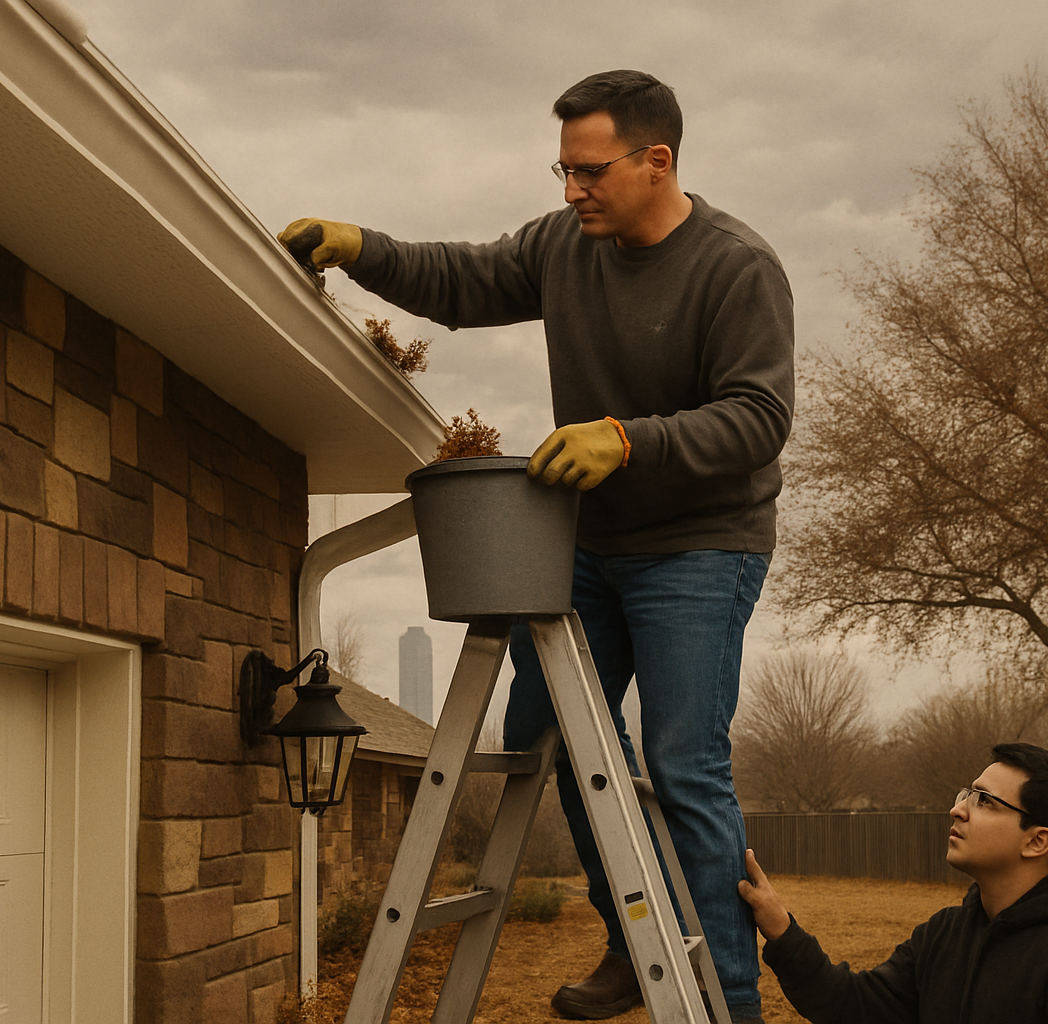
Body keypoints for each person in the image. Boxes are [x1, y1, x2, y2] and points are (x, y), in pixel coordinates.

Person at [279, 70, 793, 1022]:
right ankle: (631, 940)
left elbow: (759, 418)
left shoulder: (735, 267)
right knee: (544, 740)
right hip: (588, 550)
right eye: (561, 170)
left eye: (589, 171)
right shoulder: (565, 246)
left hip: (699, 549)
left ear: (657, 160)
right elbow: (466, 279)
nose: (570, 192)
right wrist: (361, 247)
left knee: (683, 763)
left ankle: (727, 999)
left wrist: (630, 437)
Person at [737, 743, 1048, 1023]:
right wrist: (782, 931)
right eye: (967, 795)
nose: (958, 810)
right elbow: (855, 1007)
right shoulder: (945, 934)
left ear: (1037, 840)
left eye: (985, 801)